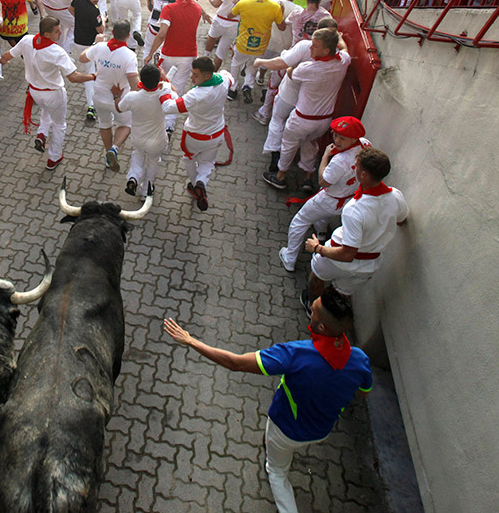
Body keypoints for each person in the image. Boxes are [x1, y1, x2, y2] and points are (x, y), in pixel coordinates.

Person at [162, 291, 372, 513]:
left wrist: (190, 340)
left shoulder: (294, 355)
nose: (310, 310)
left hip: (285, 430)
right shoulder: (360, 360)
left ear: (321, 328)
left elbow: (236, 363)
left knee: (277, 472)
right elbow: (362, 393)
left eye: (313, 310)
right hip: (322, 430)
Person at [302, 148, 409, 302]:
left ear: (364, 174)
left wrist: (317, 248)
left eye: (356, 166)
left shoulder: (354, 209)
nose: (355, 169)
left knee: (317, 277)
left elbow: (347, 254)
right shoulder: (396, 196)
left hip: (337, 260)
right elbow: (402, 220)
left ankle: (311, 305)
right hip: (369, 265)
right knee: (341, 293)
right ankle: (327, 310)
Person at [276, 117, 370, 272]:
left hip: (330, 199)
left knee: (300, 221)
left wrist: (326, 155)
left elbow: (323, 181)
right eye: (336, 135)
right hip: (349, 199)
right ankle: (321, 233)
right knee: (322, 216)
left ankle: (289, 258)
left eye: (343, 138)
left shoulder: (339, 161)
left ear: (353, 138)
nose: (337, 141)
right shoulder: (365, 144)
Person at [263, 28, 351, 190]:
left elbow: (290, 72)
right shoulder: (343, 61)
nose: (310, 49)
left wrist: (293, 65)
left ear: (326, 50)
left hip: (301, 119)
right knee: (310, 144)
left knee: (289, 145)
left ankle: (280, 176)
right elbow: (344, 49)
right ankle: (308, 178)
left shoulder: (307, 68)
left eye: (315, 46)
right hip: (324, 120)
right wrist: (339, 36)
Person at [2, 16, 94, 169]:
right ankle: (54, 157)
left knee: (46, 110)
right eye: (57, 32)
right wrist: (93, 76)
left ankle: (42, 134)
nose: (60, 34)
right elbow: (73, 77)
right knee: (59, 124)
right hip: (53, 93)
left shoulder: (26, 40)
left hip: (35, 91)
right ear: (46, 34)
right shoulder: (57, 52)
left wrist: (2, 61)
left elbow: (7, 55)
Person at [162, 56, 232, 211]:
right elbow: (229, 76)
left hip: (195, 137)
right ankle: (201, 182)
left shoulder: (195, 95)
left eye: (196, 75)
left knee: (189, 159)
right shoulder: (223, 81)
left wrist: (165, 88)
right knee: (208, 162)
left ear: (207, 76)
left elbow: (169, 107)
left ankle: (195, 186)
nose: (191, 77)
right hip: (217, 134)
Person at [146, 0, 210, 131]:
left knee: (162, 85)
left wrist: (150, 53)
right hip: (188, 56)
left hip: (168, 54)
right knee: (178, 90)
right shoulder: (197, 9)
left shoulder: (168, 9)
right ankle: (169, 126)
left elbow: (161, 35)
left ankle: (157, 117)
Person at [80, 21, 138, 172]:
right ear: (128, 36)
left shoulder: (100, 47)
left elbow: (82, 58)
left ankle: (108, 155)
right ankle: (114, 149)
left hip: (98, 96)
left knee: (105, 125)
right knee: (125, 125)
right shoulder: (130, 56)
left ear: (112, 33)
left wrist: (95, 43)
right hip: (119, 100)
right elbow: (134, 85)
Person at [112, 63, 171, 197]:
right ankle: (146, 189)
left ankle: (133, 178)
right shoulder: (164, 97)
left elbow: (120, 108)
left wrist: (116, 96)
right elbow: (175, 93)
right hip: (158, 141)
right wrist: (165, 79)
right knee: (153, 161)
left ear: (141, 80)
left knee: (137, 154)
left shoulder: (132, 97)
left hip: (138, 138)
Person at [228, 0, 286, 103]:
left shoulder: (244, 3)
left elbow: (230, 15)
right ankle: (248, 85)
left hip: (242, 44)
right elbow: (282, 27)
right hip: (260, 46)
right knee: (252, 66)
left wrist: (237, 5)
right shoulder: (275, 7)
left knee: (236, 64)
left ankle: (233, 88)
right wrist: (281, 12)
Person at [205, 0, 253, 72]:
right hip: (235, 24)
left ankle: (205, 57)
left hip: (220, 20)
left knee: (211, 37)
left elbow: (215, 3)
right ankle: (212, 74)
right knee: (221, 52)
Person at [70, 0, 104, 121]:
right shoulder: (94, 10)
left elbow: (70, 9)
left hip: (78, 41)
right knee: (90, 75)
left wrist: (81, 19)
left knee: (92, 69)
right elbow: (100, 30)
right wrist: (103, 19)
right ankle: (91, 106)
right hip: (90, 45)